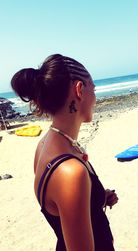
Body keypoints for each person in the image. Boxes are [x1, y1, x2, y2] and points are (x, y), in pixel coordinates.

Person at [11, 54, 118, 251]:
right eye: (93, 89)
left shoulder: (44, 144)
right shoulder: (71, 172)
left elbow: (59, 205)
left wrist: (98, 197)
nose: (95, 97)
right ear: (79, 90)